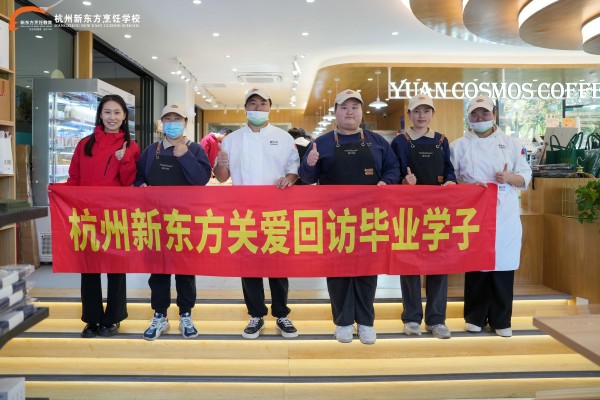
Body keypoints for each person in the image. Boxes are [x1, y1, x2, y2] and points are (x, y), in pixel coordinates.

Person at [298, 89, 400, 344]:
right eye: (344, 107)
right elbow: (307, 178)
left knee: (367, 271)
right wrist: (310, 163)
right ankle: (342, 322)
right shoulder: (320, 143)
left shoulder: (377, 142)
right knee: (338, 272)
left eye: (355, 107)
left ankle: (366, 322)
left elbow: (393, 168)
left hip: (369, 218)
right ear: (335, 112)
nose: (350, 112)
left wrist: (386, 182)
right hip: (334, 220)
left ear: (361, 112)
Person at [213, 88, 300, 339]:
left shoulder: (283, 137)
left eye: (263, 103)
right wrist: (220, 164)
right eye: (253, 103)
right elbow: (222, 177)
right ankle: (255, 315)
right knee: (249, 265)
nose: (258, 108)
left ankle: (282, 314)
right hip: (244, 212)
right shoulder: (232, 140)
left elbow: (293, 169)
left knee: (277, 264)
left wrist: (289, 178)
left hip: (276, 211)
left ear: (270, 107)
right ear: (245, 108)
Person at [450, 95, 532, 338]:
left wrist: (509, 178)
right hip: (473, 213)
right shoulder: (458, 146)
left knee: (503, 264)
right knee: (477, 263)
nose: (479, 118)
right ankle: (474, 316)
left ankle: (501, 319)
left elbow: (526, 176)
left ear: (494, 114)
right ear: (468, 117)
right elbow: (450, 178)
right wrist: (467, 186)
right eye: (474, 114)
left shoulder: (512, 144)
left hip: (504, 213)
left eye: (484, 113)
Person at [134, 103, 212, 340]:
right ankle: (160, 315)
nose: (172, 123)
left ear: (185, 123)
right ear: (161, 124)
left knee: (185, 270)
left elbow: (201, 180)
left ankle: (186, 314)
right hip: (156, 220)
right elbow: (138, 177)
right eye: (167, 118)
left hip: (185, 220)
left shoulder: (195, 150)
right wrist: (140, 185)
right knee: (158, 271)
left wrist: (185, 156)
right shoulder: (151, 151)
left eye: (177, 119)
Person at [66, 94, 140, 338]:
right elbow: (74, 178)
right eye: (107, 112)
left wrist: (125, 159)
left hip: (116, 216)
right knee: (89, 268)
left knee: (116, 268)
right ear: (100, 115)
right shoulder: (84, 144)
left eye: (117, 112)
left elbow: (129, 182)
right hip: (87, 216)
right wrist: (61, 194)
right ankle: (92, 319)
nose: (112, 117)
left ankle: (113, 318)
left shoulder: (131, 147)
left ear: (125, 116)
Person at [390, 94, 456, 340]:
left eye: (426, 111)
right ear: (409, 114)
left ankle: (437, 320)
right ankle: (411, 318)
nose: (421, 116)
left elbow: (449, 170)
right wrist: (402, 181)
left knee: (439, 264)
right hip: (408, 211)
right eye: (417, 111)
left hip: (437, 212)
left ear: (432, 114)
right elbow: (392, 171)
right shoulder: (400, 141)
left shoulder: (442, 140)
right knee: (409, 264)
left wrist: (451, 181)